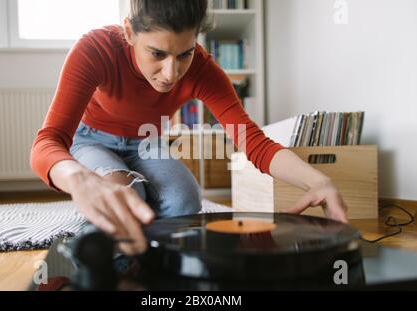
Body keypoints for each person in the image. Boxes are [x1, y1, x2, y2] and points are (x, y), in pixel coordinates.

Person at [30, 0, 348, 256]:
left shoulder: (203, 70)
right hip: (91, 140)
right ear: (128, 32)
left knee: (185, 201)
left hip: (146, 141)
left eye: (185, 53)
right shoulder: (95, 49)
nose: (171, 73)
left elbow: (253, 142)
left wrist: (319, 181)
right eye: (157, 54)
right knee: (128, 192)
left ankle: (156, 260)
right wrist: (79, 179)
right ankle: (90, 252)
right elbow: (48, 141)